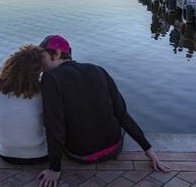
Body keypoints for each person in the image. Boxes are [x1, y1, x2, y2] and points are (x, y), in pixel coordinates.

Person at [37, 35, 170, 187]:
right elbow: (121, 113)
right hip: (113, 148)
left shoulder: (49, 78)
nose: (41, 64)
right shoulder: (98, 70)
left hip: (81, 155)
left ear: (57, 54)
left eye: (43, 57)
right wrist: (148, 149)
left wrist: (54, 169)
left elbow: (54, 126)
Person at [0, 45, 48, 164]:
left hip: (5, 153)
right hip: (40, 154)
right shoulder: (43, 89)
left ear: (10, 63)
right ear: (38, 71)